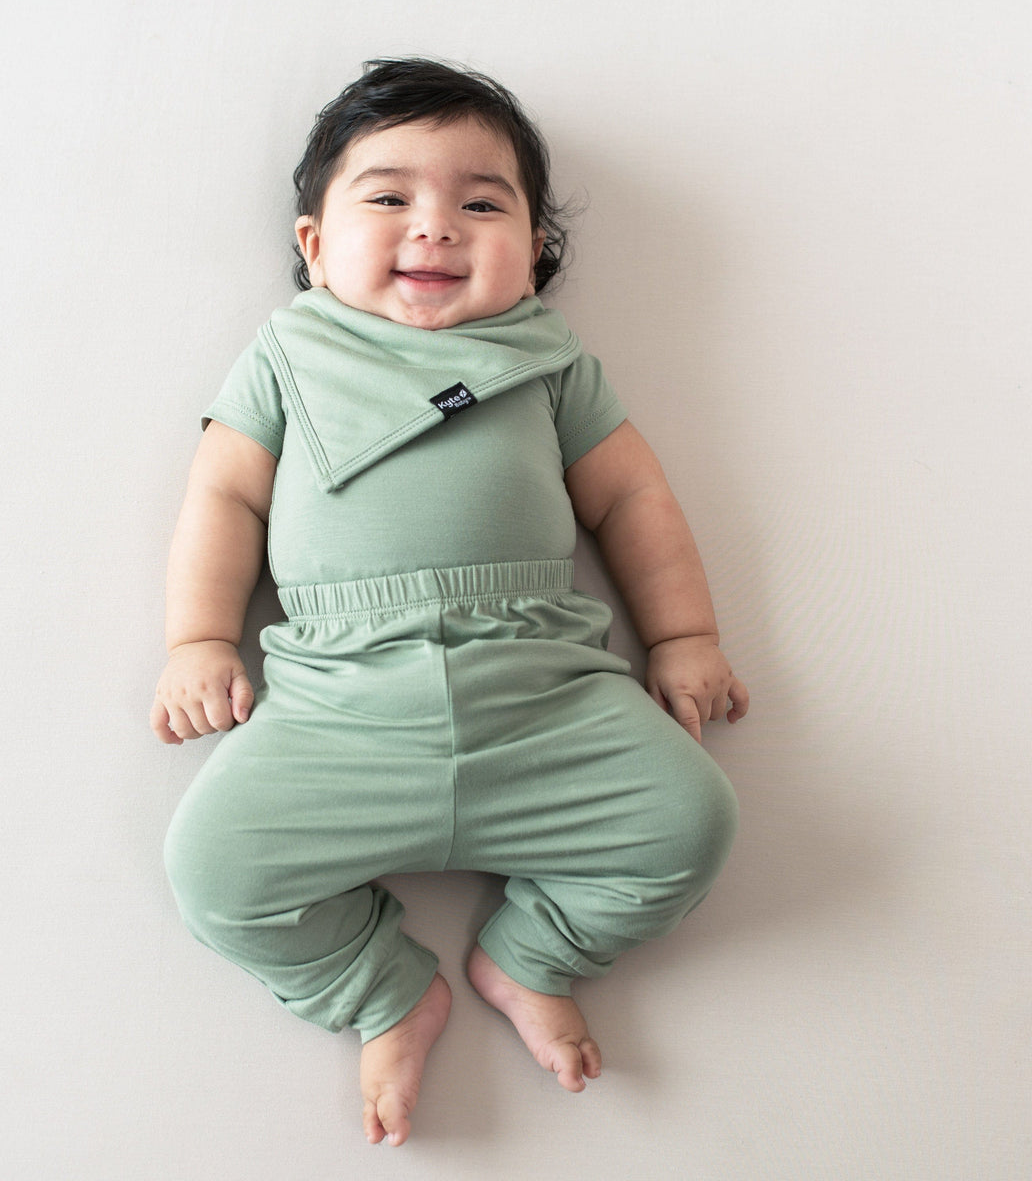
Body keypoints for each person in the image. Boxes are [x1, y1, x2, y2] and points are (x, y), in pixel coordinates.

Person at [151, 57, 748, 1147]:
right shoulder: (291, 352)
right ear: (314, 245)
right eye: (388, 199)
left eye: (483, 203)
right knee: (213, 872)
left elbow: (631, 497)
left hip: (545, 696)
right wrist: (197, 637)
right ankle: (382, 988)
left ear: (535, 254)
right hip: (340, 707)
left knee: (692, 822)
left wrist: (685, 635)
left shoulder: (549, 361)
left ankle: (531, 956)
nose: (436, 229)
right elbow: (225, 491)